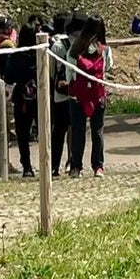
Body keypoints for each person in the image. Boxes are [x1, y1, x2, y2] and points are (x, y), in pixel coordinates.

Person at [67, 15, 112, 177]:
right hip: (98, 93)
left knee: (78, 131)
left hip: (78, 95)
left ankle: (75, 167)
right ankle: (98, 166)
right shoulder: (104, 48)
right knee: (97, 131)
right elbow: (108, 67)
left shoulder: (75, 47)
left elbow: (69, 70)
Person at [0, 19, 39, 178]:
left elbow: (9, 77)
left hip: (22, 97)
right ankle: (50, 164)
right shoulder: (41, 54)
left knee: (23, 133)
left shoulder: (16, 55)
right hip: (40, 95)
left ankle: (27, 167)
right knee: (45, 129)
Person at [48, 11, 76, 177]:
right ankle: (72, 162)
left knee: (58, 130)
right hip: (76, 92)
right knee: (74, 129)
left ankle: (54, 166)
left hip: (59, 95)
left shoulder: (56, 45)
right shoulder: (78, 43)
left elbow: (51, 71)